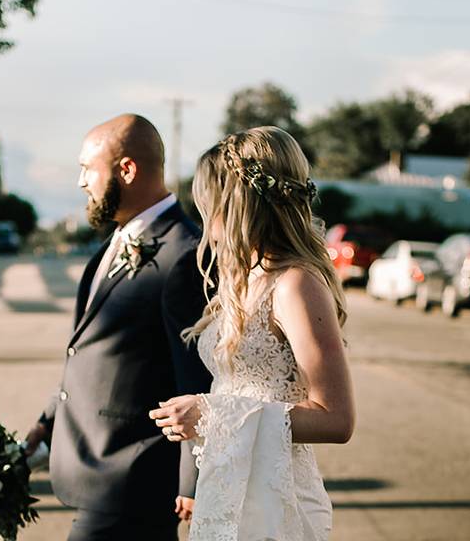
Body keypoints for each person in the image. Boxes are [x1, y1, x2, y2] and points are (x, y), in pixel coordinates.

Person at [149, 126, 355, 541]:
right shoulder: (243, 277)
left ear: (239, 203)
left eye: (210, 202)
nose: (204, 217)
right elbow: (233, 384)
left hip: (272, 501)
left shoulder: (296, 284)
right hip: (227, 484)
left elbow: (337, 419)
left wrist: (210, 414)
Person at [24, 114, 212, 541]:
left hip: (135, 476)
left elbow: (197, 376)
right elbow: (96, 352)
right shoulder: (116, 241)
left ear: (126, 169)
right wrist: (48, 421)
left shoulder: (184, 255)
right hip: (98, 474)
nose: (80, 183)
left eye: (87, 169)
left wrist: (194, 481)